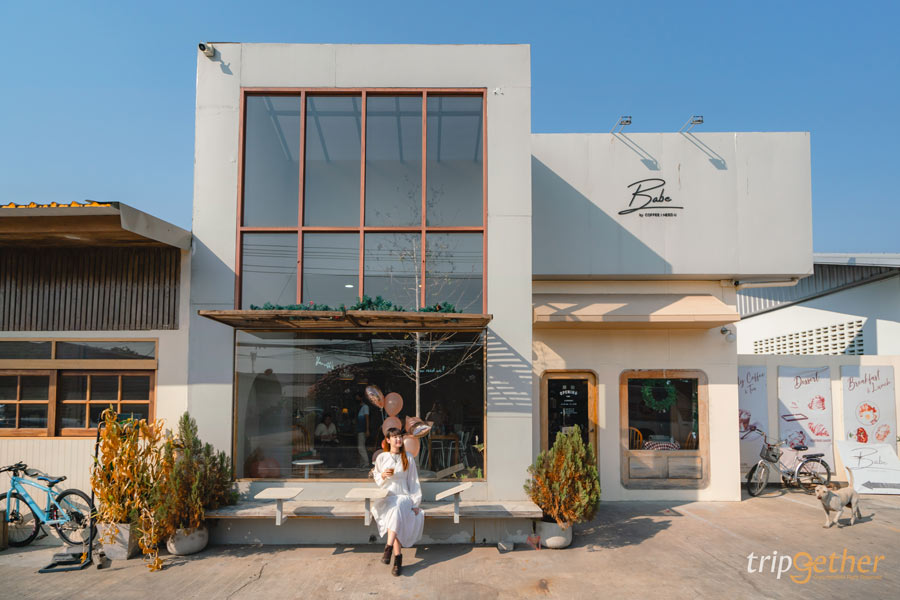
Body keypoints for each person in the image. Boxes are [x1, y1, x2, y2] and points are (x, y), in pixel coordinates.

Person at [372, 428, 424, 576]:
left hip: (404, 496)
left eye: (400, 436)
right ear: (388, 440)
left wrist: (415, 503)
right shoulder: (382, 457)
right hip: (387, 496)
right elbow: (377, 478)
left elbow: (414, 482)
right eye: (394, 437)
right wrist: (383, 475)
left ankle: (388, 548)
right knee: (395, 515)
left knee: (397, 507)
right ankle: (397, 559)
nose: (398, 439)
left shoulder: (408, 457)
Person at [356, 393, 370, 468]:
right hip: (359, 430)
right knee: (360, 446)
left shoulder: (365, 407)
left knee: (361, 447)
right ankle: (362, 463)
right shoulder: (360, 408)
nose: (357, 399)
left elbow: (367, 418)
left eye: (358, 398)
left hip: (362, 430)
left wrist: (367, 429)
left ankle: (366, 462)